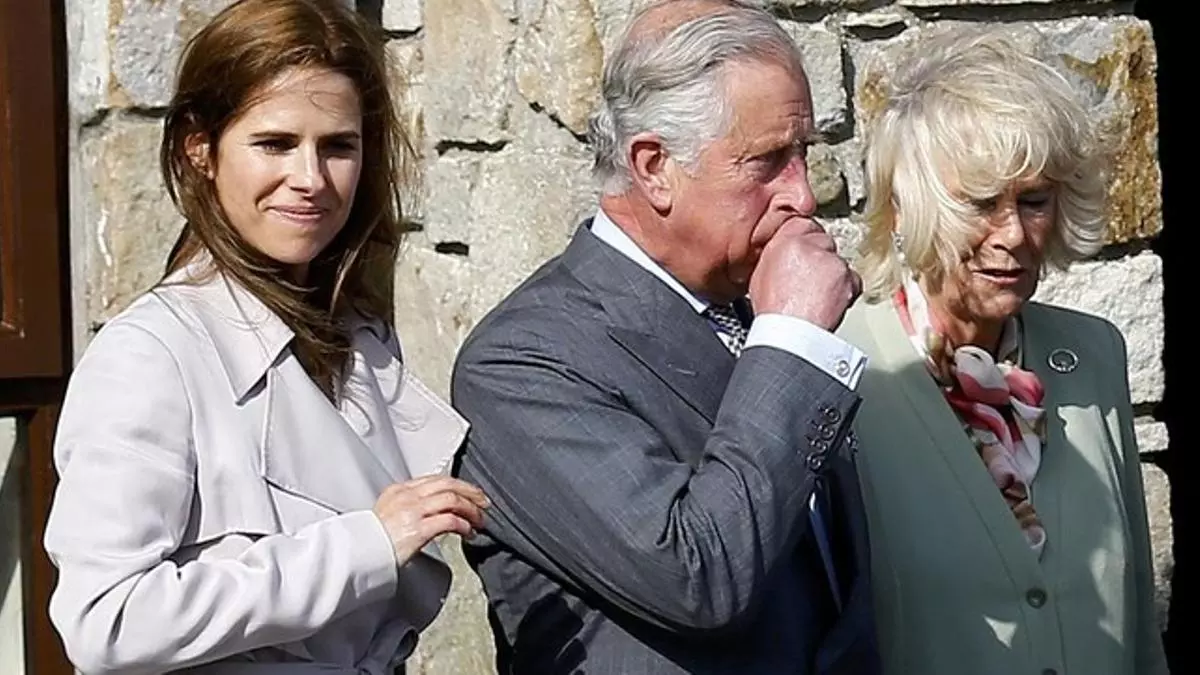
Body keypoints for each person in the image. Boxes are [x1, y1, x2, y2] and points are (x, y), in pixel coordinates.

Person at [42, 1, 489, 672]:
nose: (310, 179)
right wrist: (363, 545)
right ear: (200, 149)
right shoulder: (151, 354)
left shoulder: (359, 340)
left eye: (337, 146)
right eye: (275, 144)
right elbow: (107, 620)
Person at [450, 1, 881, 673]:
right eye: (767, 161)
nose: (801, 195)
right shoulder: (522, 362)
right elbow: (698, 575)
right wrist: (793, 343)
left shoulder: (755, 308)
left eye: (803, 154)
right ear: (653, 166)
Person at [839, 29, 1169, 675]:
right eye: (982, 203)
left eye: (1034, 200)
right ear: (906, 208)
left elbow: (1138, 628)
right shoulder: (845, 368)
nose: (1013, 233)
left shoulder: (1093, 353)